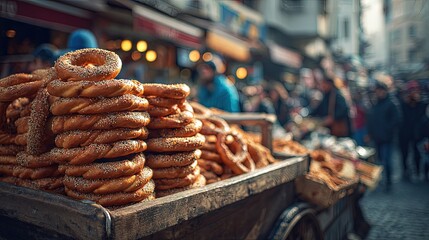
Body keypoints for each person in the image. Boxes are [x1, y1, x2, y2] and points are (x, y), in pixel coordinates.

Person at [367, 81, 400, 191]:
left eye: (380, 90)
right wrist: (370, 133)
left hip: (387, 138)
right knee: (380, 160)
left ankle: (388, 181)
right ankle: (381, 180)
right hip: (377, 138)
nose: (379, 93)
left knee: (387, 160)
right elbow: (371, 120)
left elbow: (397, 120)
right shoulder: (376, 104)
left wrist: (387, 130)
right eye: (377, 91)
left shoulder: (391, 104)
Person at [398, 80, 427, 180]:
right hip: (404, 133)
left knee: (417, 153)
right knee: (404, 153)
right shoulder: (403, 104)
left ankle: (418, 171)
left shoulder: (422, 104)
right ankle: (405, 170)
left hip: (417, 134)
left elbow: (423, 118)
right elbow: (400, 118)